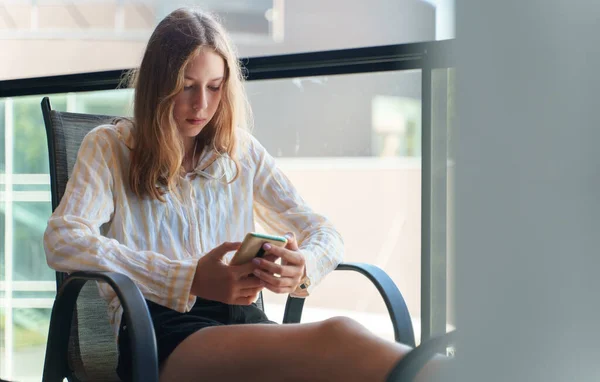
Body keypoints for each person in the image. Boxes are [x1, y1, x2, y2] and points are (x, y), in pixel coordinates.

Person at [43, 7, 439, 382]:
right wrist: (189, 278)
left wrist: (301, 267)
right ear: (157, 89)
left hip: (242, 321)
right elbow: (63, 240)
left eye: (215, 88)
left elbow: (324, 232)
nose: (202, 105)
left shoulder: (240, 152)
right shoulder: (110, 147)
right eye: (186, 88)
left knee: (336, 359)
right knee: (338, 340)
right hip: (160, 332)